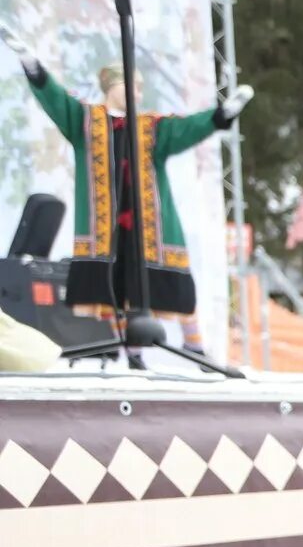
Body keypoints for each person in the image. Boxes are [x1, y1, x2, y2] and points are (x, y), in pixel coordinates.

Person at [5, 29, 252, 346]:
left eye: (138, 86)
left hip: (150, 226)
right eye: (130, 85)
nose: (136, 91)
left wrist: (221, 115)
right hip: (105, 227)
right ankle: (131, 352)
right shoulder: (85, 122)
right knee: (115, 286)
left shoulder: (152, 127)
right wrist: (32, 65)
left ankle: (195, 345)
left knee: (167, 280)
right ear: (111, 86)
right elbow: (56, 101)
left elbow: (187, 128)